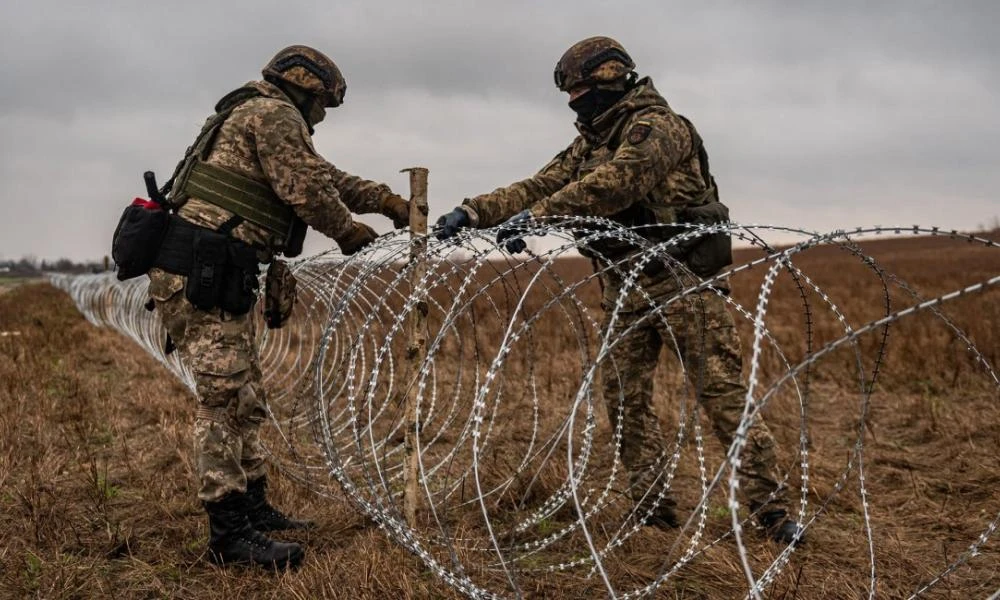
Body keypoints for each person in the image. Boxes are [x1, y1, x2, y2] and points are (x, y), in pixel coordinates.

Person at [435, 36, 801, 544]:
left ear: (610, 78)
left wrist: (540, 217)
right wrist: (474, 211)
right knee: (625, 399)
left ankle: (772, 512)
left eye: (580, 89)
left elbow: (617, 183)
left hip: (681, 284)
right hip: (624, 287)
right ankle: (652, 508)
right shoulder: (591, 140)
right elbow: (539, 184)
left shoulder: (658, 128)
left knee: (722, 397)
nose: (574, 102)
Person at [146, 45, 411, 569]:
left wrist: (384, 200)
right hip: (202, 276)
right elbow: (307, 191)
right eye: (323, 106)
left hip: (220, 275)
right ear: (307, 90)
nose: (321, 118)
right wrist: (352, 232)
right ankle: (229, 537)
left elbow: (322, 175)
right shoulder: (274, 114)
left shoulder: (259, 113)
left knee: (245, 395)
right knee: (222, 401)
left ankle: (253, 509)